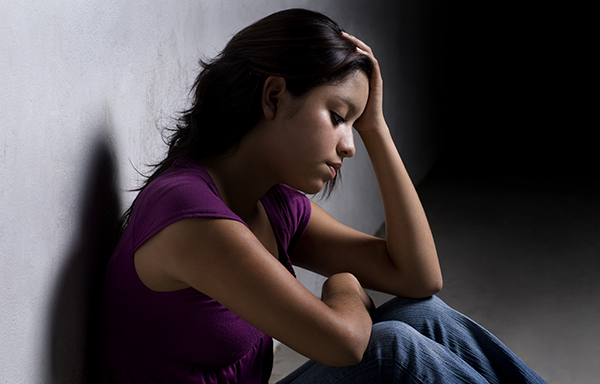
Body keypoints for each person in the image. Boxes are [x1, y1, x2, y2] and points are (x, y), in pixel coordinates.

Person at [99, 8, 547, 384]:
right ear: (273, 97)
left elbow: (417, 277)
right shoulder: (188, 214)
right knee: (391, 348)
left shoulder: (271, 204)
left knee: (423, 315)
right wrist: (344, 283)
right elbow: (346, 343)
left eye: (355, 125)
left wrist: (376, 127)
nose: (349, 145)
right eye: (337, 116)